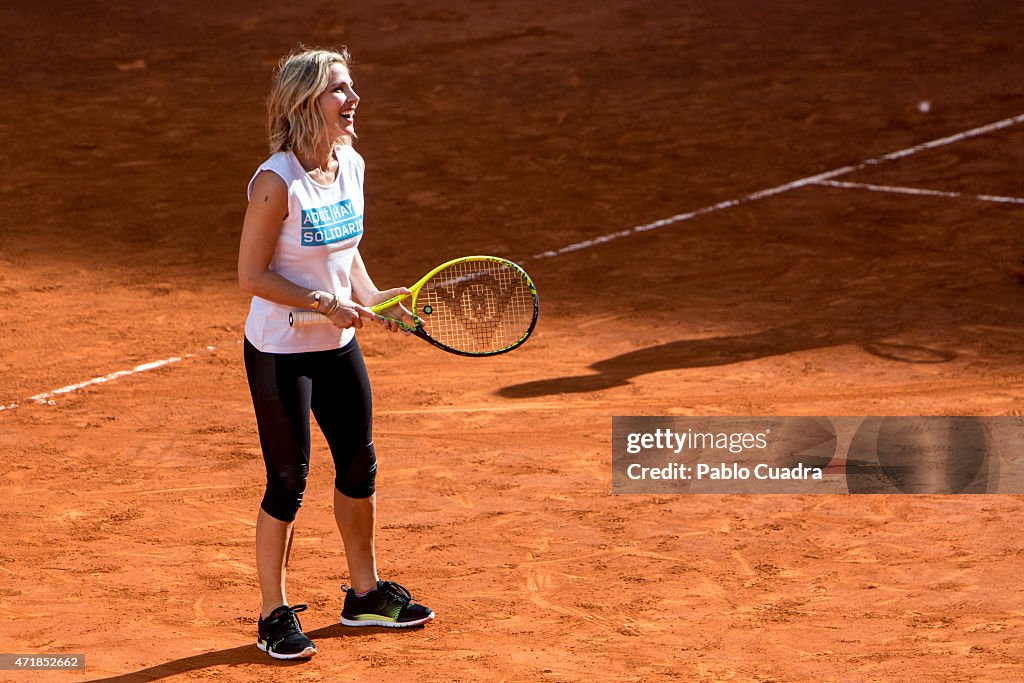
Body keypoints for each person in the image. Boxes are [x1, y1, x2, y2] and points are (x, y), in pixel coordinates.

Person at [238, 47, 434, 661]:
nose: (353, 101)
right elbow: (251, 275)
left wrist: (373, 298)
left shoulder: (350, 163)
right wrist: (324, 302)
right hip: (281, 349)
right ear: (306, 103)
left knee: (358, 466)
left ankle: (365, 593)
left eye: (352, 88)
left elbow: (345, 249)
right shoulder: (276, 183)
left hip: (336, 344)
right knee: (288, 479)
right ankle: (273, 613)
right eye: (340, 91)